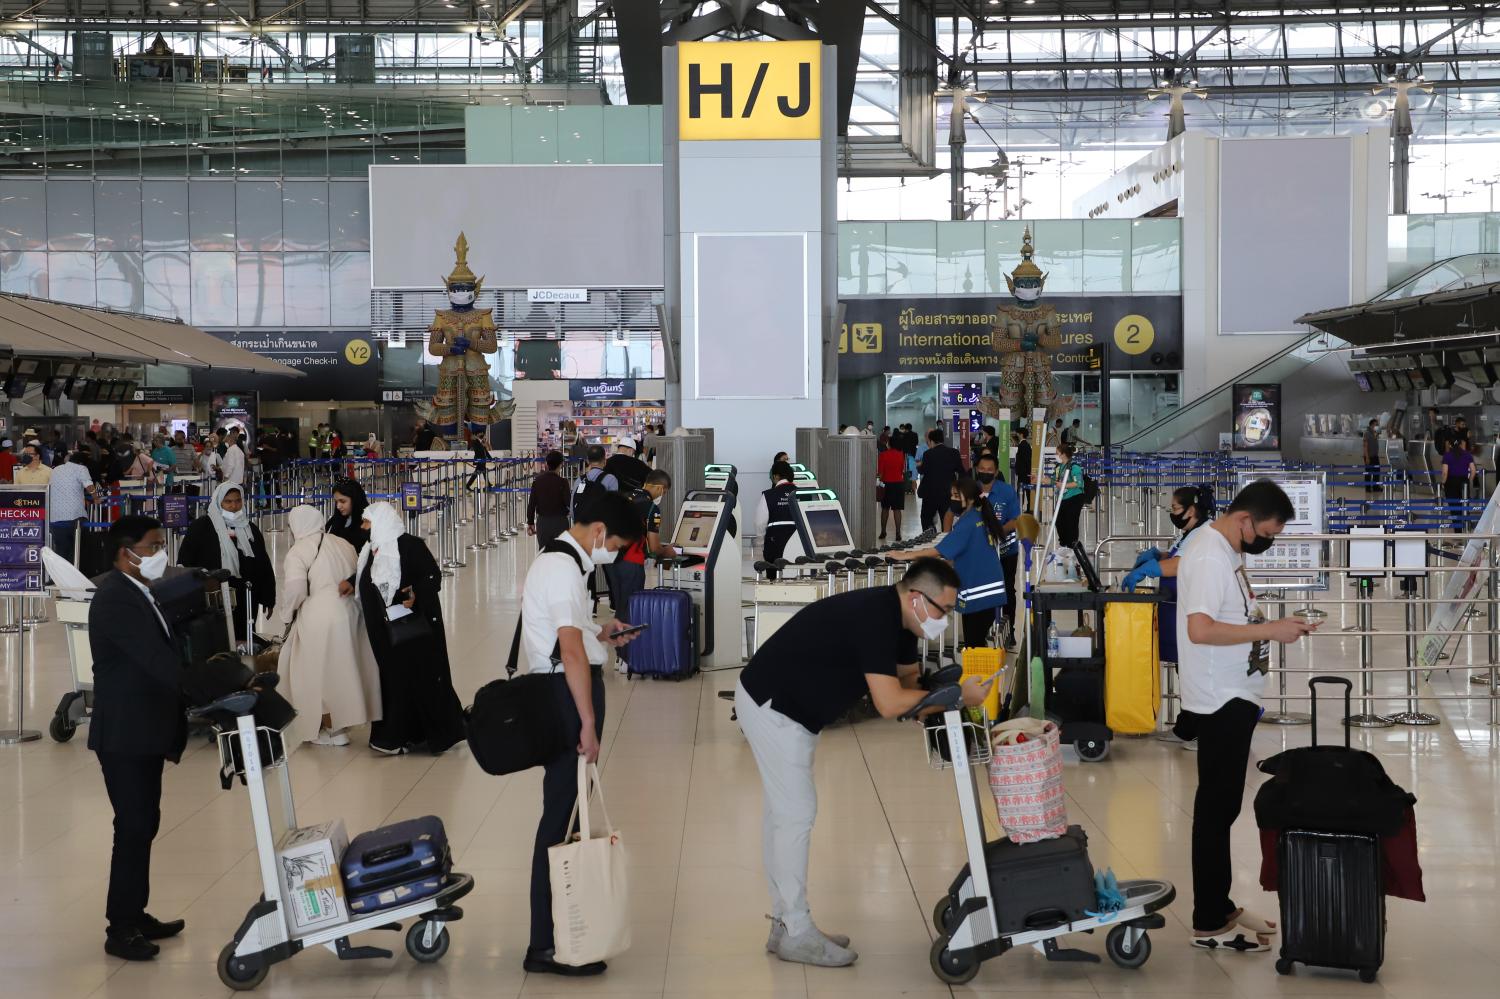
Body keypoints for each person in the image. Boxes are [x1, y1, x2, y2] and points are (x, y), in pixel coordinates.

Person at [736, 558, 992, 966]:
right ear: (916, 598)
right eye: (943, 609)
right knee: (795, 813)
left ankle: (786, 924)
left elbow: (909, 687)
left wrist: (940, 691)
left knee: (784, 815)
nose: (946, 618)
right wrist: (959, 696)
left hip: (796, 712)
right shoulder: (875, 618)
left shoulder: (904, 625)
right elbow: (890, 703)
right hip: (773, 705)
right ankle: (795, 932)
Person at [1178, 479, 1317, 953]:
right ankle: (1208, 919)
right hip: (1220, 698)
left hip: (1233, 692)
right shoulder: (1211, 554)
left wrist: (1269, 626)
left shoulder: (1222, 551)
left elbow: (1225, 615)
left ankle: (1218, 903)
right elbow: (1200, 629)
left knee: (1222, 807)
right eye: (1266, 533)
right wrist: (1273, 630)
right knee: (1215, 809)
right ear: (1244, 520)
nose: (1266, 542)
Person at [520, 491, 643, 977]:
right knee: (558, 822)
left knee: (566, 818)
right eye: (613, 544)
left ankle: (562, 934)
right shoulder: (563, 569)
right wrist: (588, 723)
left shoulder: (568, 566)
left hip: (563, 694)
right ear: (597, 533)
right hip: (564, 701)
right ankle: (544, 946)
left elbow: (571, 638)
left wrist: (604, 633)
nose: (611, 552)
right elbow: (568, 654)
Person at [87, 515, 188, 961]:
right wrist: (206, 688)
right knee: (131, 827)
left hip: (143, 728)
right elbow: (154, 661)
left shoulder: (135, 591)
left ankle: (135, 911)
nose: (158, 554)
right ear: (126, 554)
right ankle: (120, 927)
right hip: (124, 733)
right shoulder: (114, 598)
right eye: (151, 547)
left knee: (144, 822)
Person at [353, 502, 466, 756]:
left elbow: (432, 578)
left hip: (409, 631)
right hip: (384, 632)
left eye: (366, 522)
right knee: (393, 679)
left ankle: (398, 737)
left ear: (381, 522)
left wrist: (416, 594)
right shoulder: (372, 550)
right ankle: (405, 734)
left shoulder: (410, 546)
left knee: (408, 679)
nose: (363, 528)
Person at [278, 505, 382, 749]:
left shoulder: (299, 551)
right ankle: (342, 725)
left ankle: (326, 728)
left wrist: (286, 614)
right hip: (351, 612)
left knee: (316, 676)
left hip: (319, 617)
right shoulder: (341, 543)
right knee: (345, 671)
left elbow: (295, 591)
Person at [1123, 484, 1216, 746]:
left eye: (1175, 508)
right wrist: (1156, 555)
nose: (1172, 513)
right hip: (1177, 609)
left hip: (1194, 612)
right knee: (1184, 670)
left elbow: (1180, 564)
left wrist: (1150, 569)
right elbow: (1174, 554)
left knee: (1197, 673)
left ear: (1192, 510)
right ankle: (1185, 728)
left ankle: (1206, 731)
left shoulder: (1204, 534)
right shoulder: (1190, 532)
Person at [888, 478, 1007, 649]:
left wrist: (904, 555)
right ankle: (977, 672)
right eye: (951, 495)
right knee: (976, 642)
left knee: (974, 644)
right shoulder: (978, 516)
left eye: (957, 495)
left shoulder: (968, 523)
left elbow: (938, 550)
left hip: (979, 592)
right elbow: (963, 552)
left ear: (970, 498)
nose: (953, 499)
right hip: (986, 588)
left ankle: (978, 674)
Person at [177, 482, 275, 643]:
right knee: (216, 640)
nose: (234, 506)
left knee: (244, 637)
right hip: (213, 598)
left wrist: (268, 597)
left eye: (238, 501)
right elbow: (185, 562)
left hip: (245, 597)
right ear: (219, 502)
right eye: (228, 502)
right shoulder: (201, 527)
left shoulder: (249, 528)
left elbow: (263, 564)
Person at [610, 469, 675, 668]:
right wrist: (668, 551)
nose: (662, 496)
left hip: (611, 560)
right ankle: (626, 659)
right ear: (657, 487)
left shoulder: (623, 497)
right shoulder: (650, 508)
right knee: (631, 608)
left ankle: (618, 656)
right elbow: (654, 547)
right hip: (632, 561)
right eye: (663, 491)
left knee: (620, 606)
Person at [974, 452, 1022, 647]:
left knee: (1007, 590)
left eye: (989, 470)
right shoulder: (970, 490)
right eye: (982, 469)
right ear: (977, 470)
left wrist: (998, 532)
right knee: (981, 591)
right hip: (979, 554)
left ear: (996, 472)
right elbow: (952, 512)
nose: (985, 473)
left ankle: (1009, 632)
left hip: (1006, 551)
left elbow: (1016, 519)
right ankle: (982, 632)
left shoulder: (1006, 491)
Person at [48, 451, 99, 562]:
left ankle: (60, 577)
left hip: (55, 517)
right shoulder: (81, 468)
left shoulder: (56, 469)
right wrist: (96, 498)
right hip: (74, 516)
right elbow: (88, 485)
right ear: (81, 462)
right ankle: (75, 576)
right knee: (78, 551)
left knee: (61, 552)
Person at [756, 461, 799, 577]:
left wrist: (760, 546)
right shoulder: (803, 494)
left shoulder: (768, 495)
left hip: (774, 548)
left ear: (775, 476)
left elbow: (760, 523)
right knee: (798, 579)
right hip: (799, 546)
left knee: (773, 582)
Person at [915, 428, 963, 532]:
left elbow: (923, 471)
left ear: (931, 441)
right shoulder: (954, 453)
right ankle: (946, 541)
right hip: (948, 493)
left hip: (930, 493)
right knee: (946, 518)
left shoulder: (928, 454)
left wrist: (919, 466)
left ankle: (930, 539)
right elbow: (961, 472)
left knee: (926, 518)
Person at [527, 450, 572, 546]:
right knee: (561, 553)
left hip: (543, 522)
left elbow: (531, 504)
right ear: (561, 464)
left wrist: (530, 522)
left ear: (547, 464)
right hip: (560, 522)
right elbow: (569, 503)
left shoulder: (537, 481)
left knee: (544, 552)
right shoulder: (563, 482)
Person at [1047, 441, 1087, 548]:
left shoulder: (1074, 467)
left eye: (1057, 453)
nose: (1056, 455)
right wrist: (1041, 479)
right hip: (1063, 498)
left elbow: (1078, 483)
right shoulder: (1058, 467)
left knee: (1071, 522)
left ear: (1063, 454)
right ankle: (1064, 543)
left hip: (1074, 497)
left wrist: (1064, 485)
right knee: (1059, 521)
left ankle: (1072, 545)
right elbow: (1055, 481)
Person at [1441, 437, 1477, 531]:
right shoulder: (1467, 455)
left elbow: (1445, 472)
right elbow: (1473, 470)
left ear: (1450, 445)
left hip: (1451, 483)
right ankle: (1466, 528)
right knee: (1464, 506)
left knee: (1454, 507)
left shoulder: (1447, 455)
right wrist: (1469, 481)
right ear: (1461, 444)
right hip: (1464, 482)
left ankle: (1458, 530)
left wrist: (1442, 483)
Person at [324, 478, 371, 551]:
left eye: (342, 501)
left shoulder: (368, 521)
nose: (338, 506)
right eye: (336, 502)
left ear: (355, 499)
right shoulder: (335, 519)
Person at [876, 439, 908, 542]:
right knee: (897, 509)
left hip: (886, 484)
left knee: (885, 509)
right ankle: (898, 533)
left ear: (889, 444)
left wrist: (878, 483)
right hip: (898, 484)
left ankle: (883, 531)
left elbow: (880, 472)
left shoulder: (883, 455)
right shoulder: (901, 455)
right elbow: (901, 470)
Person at [1014, 426, 1034, 511]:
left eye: (1017, 433)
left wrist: (1026, 472)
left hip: (1024, 473)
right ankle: (1024, 509)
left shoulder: (1023, 445)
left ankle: (1024, 509)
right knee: (1024, 491)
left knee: (1023, 491)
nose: (1016, 435)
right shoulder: (1024, 445)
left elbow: (1026, 460)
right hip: (1024, 473)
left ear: (1021, 434)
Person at [1362, 418, 1382, 495]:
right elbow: (1365, 446)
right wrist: (1367, 457)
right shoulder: (1367, 433)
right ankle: (1368, 487)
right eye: (1376, 425)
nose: (1377, 426)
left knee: (1377, 471)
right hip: (1369, 456)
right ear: (1372, 425)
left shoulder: (1374, 433)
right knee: (1369, 472)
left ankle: (1375, 487)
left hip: (1375, 456)